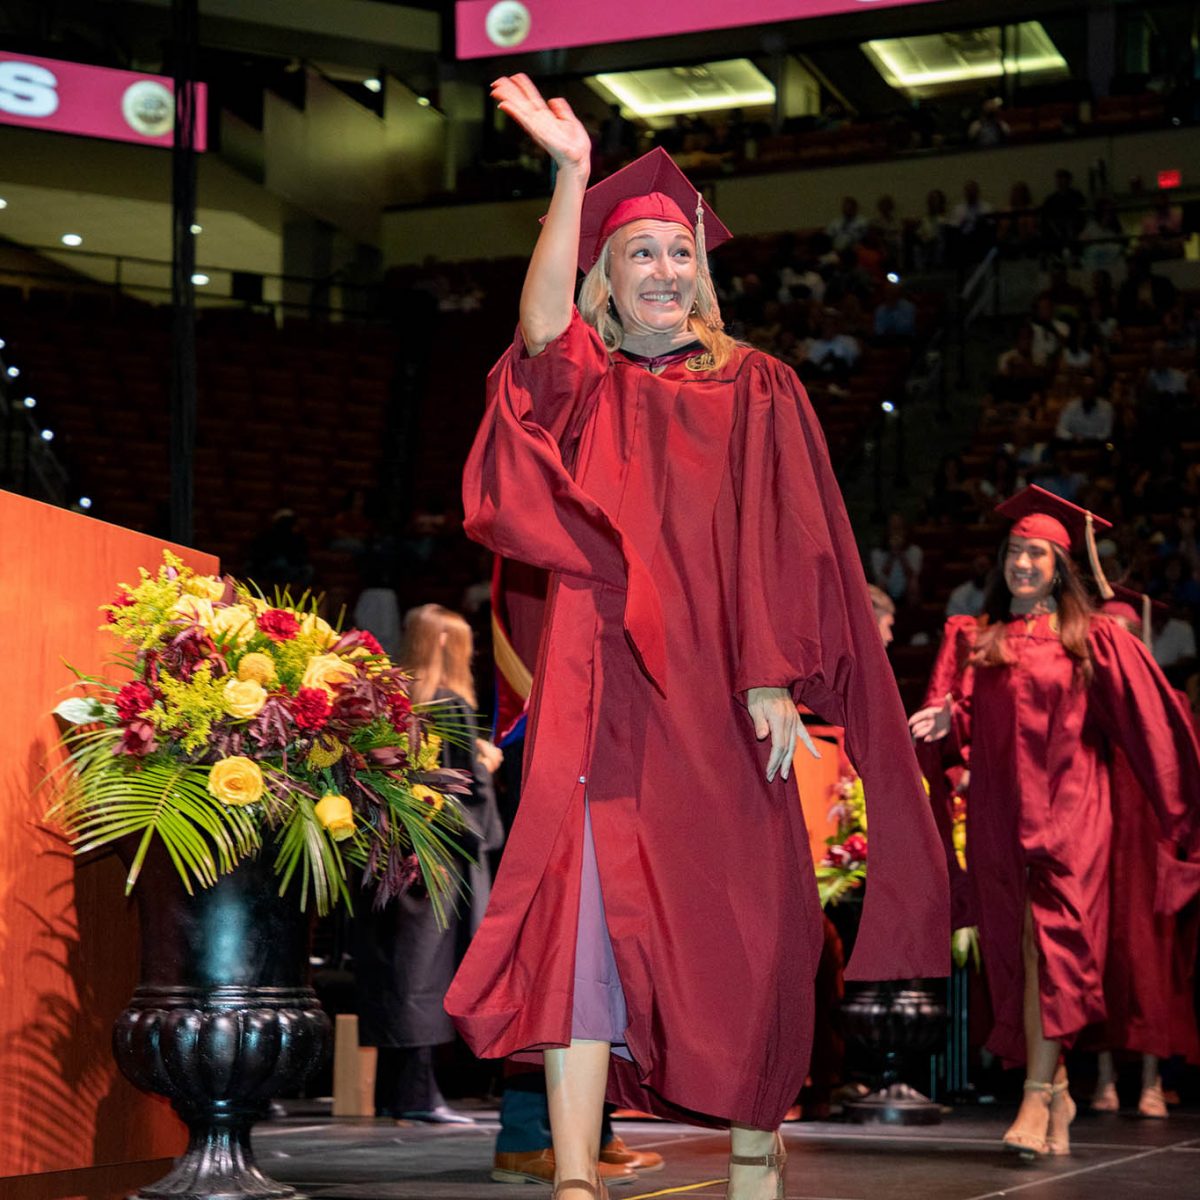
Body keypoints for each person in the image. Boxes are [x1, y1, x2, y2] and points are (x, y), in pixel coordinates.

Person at [447, 75, 948, 1200]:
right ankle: (574, 1177)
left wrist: (775, 677)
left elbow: (795, 540)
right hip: (597, 683)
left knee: (743, 927)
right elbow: (534, 340)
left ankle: (754, 1161)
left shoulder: (758, 386)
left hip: (722, 693)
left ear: (701, 272)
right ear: (606, 278)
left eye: (680, 253)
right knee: (579, 927)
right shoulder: (585, 384)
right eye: (640, 257)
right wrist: (574, 172)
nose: (665, 272)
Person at [910, 486, 1200, 1159]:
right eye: (1015, 551)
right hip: (999, 818)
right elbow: (965, 721)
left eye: (1036, 552)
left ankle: (1036, 1096)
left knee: (1053, 946)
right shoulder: (978, 640)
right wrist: (951, 720)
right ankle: (1058, 1087)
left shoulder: (1093, 639)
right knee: (1015, 952)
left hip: (1071, 815)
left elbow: (1155, 728)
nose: (1022, 563)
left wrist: (1179, 821)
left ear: (1061, 564)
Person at [354, 604, 504, 1126]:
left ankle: (396, 1095)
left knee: (399, 971)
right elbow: (465, 790)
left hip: (390, 854)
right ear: (444, 644)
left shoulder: (392, 703)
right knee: (428, 971)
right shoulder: (451, 701)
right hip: (439, 858)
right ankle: (418, 1094)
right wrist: (484, 765)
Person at [1088, 590, 1200, 1117]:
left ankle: (1153, 1081)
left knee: (1151, 964)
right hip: (1098, 844)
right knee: (1103, 958)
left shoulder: (1171, 704)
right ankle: (1107, 1078)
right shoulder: (1087, 706)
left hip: (1152, 850)